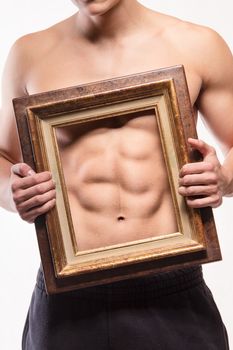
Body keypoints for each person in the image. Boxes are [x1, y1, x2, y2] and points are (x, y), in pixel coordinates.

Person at [0, 0, 232, 349]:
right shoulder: (29, 54)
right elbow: (2, 157)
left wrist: (224, 178)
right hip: (68, 295)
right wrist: (12, 193)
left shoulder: (196, 44)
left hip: (171, 288)